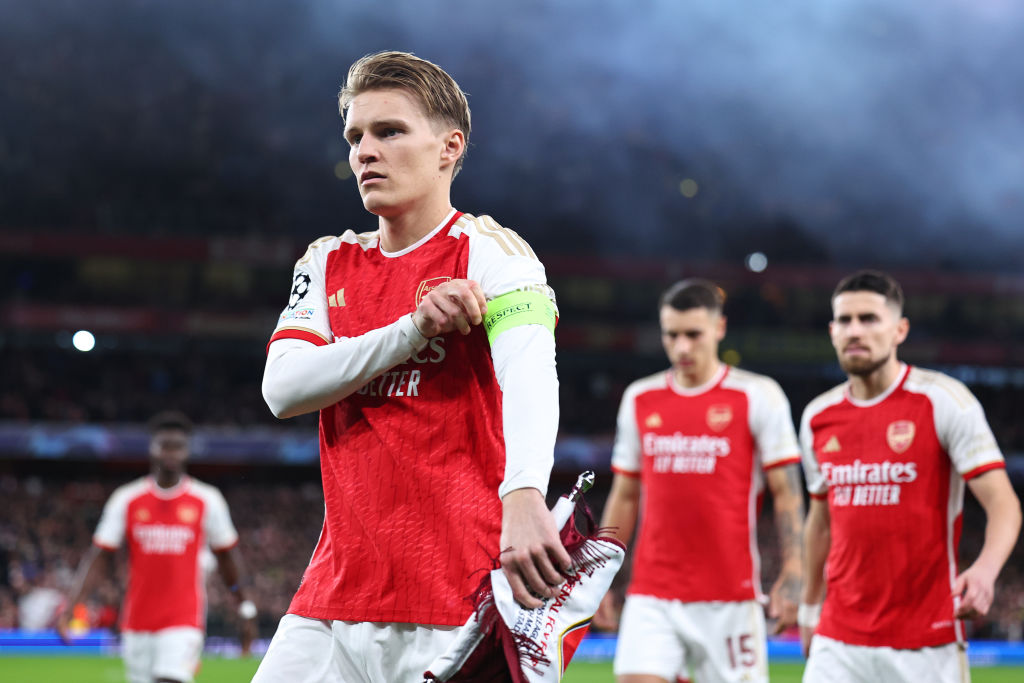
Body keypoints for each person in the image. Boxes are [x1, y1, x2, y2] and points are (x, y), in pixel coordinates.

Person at [255, 51, 568, 682]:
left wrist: (525, 491)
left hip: (462, 596)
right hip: (332, 599)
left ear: (450, 147)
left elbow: (530, 374)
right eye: (355, 137)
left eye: (389, 131)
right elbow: (283, 389)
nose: (365, 152)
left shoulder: (495, 254)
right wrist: (413, 329)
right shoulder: (326, 262)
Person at [799, 270, 1022, 683]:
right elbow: (820, 522)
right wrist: (810, 607)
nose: (854, 330)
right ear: (832, 332)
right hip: (838, 638)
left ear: (899, 330)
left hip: (926, 641)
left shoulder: (943, 401)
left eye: (869, 319)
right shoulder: (818, 416)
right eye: (844, 320)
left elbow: (1004, 503)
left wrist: (986, 570)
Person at [598, 279, 806, 683]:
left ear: (719, 328)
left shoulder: (758, 395)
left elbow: (787, 493)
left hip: (730, 598)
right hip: (652, 594)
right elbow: (625, 496)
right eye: (671, 335)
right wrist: (598, 579)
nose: (681, 347)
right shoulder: (640, 398)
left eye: (693, 334)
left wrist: (795, 573)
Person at [57, 410, 257, 683]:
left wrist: (246, 608)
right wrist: (72, 606)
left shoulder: (207, 499)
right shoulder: (127, 499)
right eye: (165, 445)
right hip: (137, 623)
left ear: (187, 451)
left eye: (178, 446)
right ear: (152, 447)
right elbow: (100, 556)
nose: (171, 453)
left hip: (184, 621)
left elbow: (227, 558)